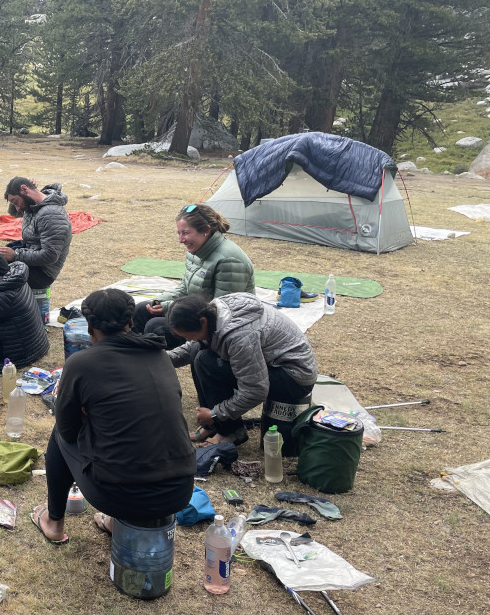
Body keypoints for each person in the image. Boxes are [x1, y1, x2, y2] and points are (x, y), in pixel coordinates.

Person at [30, 289, 195, 543]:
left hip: (120, 496)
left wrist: (87, 415)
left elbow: (69, 431)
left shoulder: (81, 363)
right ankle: (113, 521)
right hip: (180, 491)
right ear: (131, 322)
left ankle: (54, 522)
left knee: (59, 436)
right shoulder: (159, 355)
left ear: (89, 327)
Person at [166, 293, 318, 446]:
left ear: (203, 322)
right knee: (197, 351)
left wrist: (215, 413)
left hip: (294, 377)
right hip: (274, 366)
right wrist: (161, 358)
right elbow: (192, 346)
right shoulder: (212, 311)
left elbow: (255, 390)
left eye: (190, 335)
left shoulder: (240, 337)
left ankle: (230, 432)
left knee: (207, 363)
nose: (188, 340)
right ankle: (214, 426)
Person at [133, 203, 254, 348]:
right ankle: (134, 358)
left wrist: (169, 307)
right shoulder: (196, 251)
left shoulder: (229, 261)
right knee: (141, 309)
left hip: (223, 323)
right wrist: (162, 301)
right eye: (179, 233)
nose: (180, 239)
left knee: (157, 327)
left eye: (185, 233)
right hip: (198, 311)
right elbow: (185, 288)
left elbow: (222, 310)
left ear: (206, 230)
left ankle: (157, 366)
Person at [0, 177, 72, 323]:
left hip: (42, 272)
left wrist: (15, 255)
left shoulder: (51, 215)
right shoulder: (34, 205)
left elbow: (50, 256)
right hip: (27, 253)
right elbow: (15, 212)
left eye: (15, 201)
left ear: (25, 190)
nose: (17, 207)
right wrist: (25, 194)